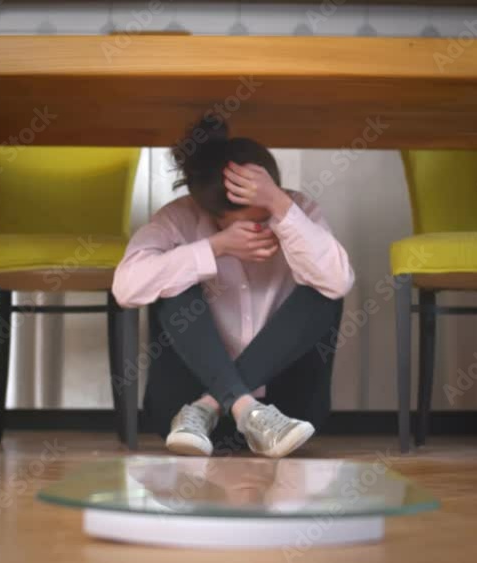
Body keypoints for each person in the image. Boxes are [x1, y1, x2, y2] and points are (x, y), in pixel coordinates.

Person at [111, 117, 354, 458]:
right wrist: (214, 248)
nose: (263, 225)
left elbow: (339, 280)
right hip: (184, 423)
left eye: (265, 213)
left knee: (325, 287)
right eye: (251, 221)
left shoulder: (293, 208)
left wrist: (281, 207)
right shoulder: (179, 218)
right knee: (173, 279)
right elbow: (125, 288)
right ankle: (235, 406)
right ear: (213, 215)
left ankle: (214, 405)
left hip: (285, 420)